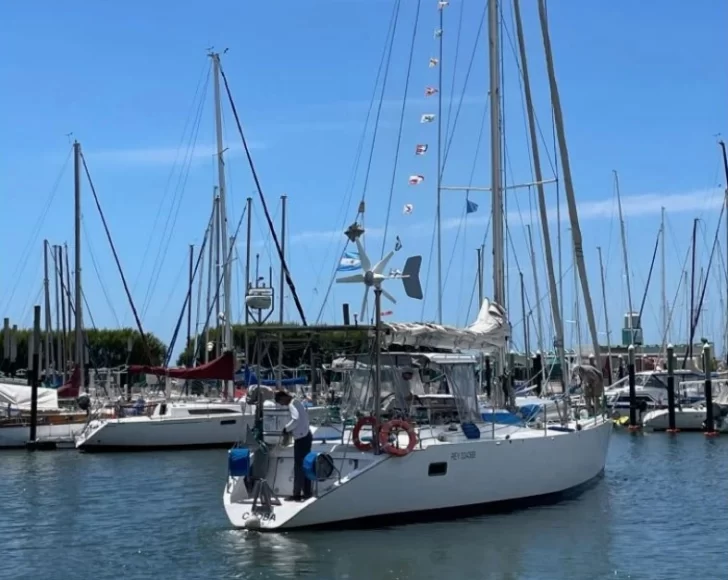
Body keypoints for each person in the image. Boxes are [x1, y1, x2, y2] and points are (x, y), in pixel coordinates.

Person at [274, 390, 312, 501]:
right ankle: (307, 492)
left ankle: (296, 494)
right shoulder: (297, 402)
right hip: (306, 436)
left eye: (280, 402)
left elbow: (295, 420)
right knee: (305, 465)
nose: (282, 404)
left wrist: (286, 429)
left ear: (283, 397)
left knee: (299, 467)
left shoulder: (292, 404)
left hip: (301, 439)